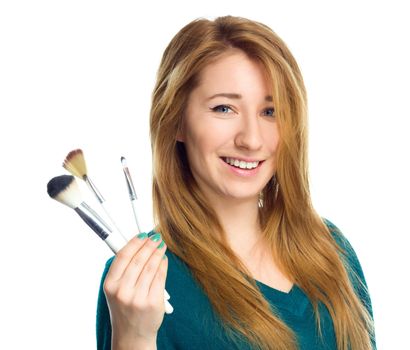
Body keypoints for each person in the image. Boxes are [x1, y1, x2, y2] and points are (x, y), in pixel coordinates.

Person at [96, 15, 376, 350]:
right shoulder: (139, 283)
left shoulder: (332, 251)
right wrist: (133, 336)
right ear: (177, 122)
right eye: (224, 108)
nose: (252, 139)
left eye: (270, 112)